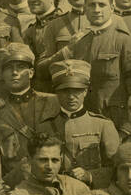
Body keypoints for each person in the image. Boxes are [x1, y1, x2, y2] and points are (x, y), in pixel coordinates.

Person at [39, 0, 131, 126]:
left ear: (112, 8)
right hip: (84, 123)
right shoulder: (79, 43)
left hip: (117, 123)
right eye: (91, 5)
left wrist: (127, 130)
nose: (96, 10)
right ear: (85, 9)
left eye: (102, 5)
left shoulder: (126, 41)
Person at [0, 43, 59, 185]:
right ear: (2, 74)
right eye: (9, 68)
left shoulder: (54, 103)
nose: (15, 73)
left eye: (20, 67)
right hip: (16, 185)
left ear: (31, 72)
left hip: (55, 181)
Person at [45, 59, 119, 187]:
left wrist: (90, 175)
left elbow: (116, 167)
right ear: (56, 92)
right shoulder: (44, 126)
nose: (71, 96)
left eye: (77, 90)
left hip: (90, 193)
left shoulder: (103, 125)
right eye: (65, 91)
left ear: (85, 91)